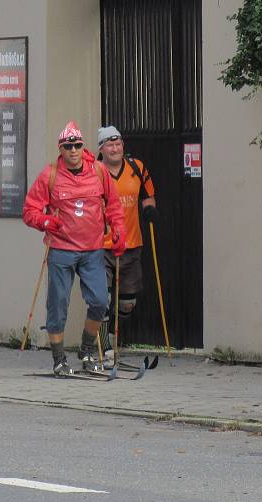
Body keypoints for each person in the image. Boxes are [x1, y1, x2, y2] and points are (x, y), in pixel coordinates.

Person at [23, 122, 126, 376]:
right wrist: (45, 221)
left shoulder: (99, 172)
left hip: (93, 249)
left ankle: (87, 349)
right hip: (62, 249)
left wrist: (118, 230)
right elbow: (29, 211)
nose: (73, 150)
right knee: (58, 305)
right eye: (67, 146)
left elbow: (113, 205)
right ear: (61, 148)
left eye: (77, 145)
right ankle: (59, 358)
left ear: (83, 147)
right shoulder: (50, 175)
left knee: (100, 301)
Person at [96, 126, 158, 360]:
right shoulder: (94, 172)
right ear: (101, 149)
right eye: (110, 145)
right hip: (102, 245)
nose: (115, 148)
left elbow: (148, 195)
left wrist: (150, 209)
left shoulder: (136, 168)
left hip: (132, 244)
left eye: (118, 144)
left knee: (127, 303)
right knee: (103, 298)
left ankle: (111, 334)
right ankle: (104, 345)